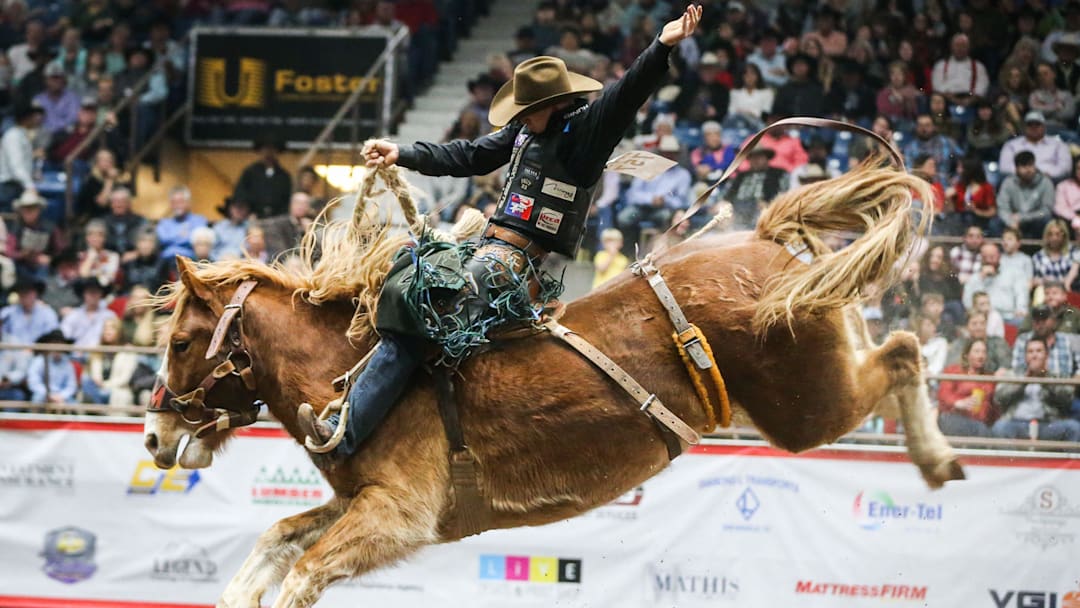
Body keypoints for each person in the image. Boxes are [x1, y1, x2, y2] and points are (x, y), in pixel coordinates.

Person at [298, 5, 705, 455]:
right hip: (489, 249)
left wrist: (661, 46)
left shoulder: (586, 132)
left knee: (419, 306)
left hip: (516, 264)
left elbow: (627, 92)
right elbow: (469, 155)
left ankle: (345, 432)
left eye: (529, 109)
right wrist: (404, 152)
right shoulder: (524, 132)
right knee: (398, 273)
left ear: (555, 105)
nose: (521, 117)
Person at [993, 337, 1080, 441]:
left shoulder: (1056, 376)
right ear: (1025, 356)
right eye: (1030, 352)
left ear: (1046, 355)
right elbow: (999, 399)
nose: (1034, 355)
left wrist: (1045, 380)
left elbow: (1068, 400)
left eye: (1039, 351)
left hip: (1048, 424)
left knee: (1073, 428)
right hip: (1016, 422)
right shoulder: (1013, 374)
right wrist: (1024, 381)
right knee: (999, 428)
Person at [618, 135, 691, 230]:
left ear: (677, 155)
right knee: (624, 218)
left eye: (672, 153)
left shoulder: (683, 174)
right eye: (666, 153)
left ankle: (664, 243)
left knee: (668, 217)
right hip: (641, 208)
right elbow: (632, 194)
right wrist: (651, 199)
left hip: (664, 209)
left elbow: (682, 201)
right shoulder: (646, 168)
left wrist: (665, 200)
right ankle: (629, 244)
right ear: (660, 153)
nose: (669, 156)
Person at [937, 338, 998, 437]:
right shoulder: (953, 371)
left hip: (979, 422)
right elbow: (943, 393)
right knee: (982, 431)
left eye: (984, 352)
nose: (981, 356)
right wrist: (958, 403)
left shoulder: (989, 378)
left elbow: (992, 407)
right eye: (977, 351)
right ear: (967, 355)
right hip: (953, 417)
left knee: (989, 431)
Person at [721, 147, 789, 230]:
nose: (755, 160)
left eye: (759, 157)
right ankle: (730, 236)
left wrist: (770, 204)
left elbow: (785, 195)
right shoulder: (740, 176)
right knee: (722, 209)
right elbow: (727, 196)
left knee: (764, 210)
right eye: (752, 157)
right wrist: (725, 206)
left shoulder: (779, 174)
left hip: (764, 208)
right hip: (739, 207)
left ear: (767, 158)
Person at [963, 241, 1029, 325]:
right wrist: (980, 278)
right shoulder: (975, 278)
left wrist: (1021, 309)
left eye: (992, 257)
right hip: (984, 319)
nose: (988, 260)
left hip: (1009, 316)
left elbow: (1021, 294)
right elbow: (967, 302)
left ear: (999, 256)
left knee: (1022, 321)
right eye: (985, 257)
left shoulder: (1013, 273)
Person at [6, 190, 66, 281]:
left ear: (38, 210)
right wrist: (22, 254)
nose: (28, 212)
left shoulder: (50, 228)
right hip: (20, 266)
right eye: (25, 209)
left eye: (31, 208)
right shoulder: (15, 228)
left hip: (44, 267)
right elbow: (9, 251)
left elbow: (60, 250)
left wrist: (50, 259)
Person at [80, 316, 137, 409]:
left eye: (112, 328)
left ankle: (98, 408)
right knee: (86, 380)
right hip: (98, 388)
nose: (108, 332)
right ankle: (97, 408)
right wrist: (99, 384)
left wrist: (105, 385)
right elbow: (95, 376)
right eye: (105, 328)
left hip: (116, 389)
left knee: (116, 395)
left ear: (119, 332)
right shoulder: (97, 350)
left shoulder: (128, 351)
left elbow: (124, 379)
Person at [997, 111, 1071, 180]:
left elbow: (1065, 168)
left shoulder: (1058, 144)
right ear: (1024, 127)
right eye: (1030, 124)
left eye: (1037, 124)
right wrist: (1025, 174)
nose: (1033, 127)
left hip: (1050, 180)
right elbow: (1004, 167)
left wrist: (1046, 174)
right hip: (1018, 181)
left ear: (1044, 127)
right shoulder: (1011, 145)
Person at [998, 150, 1055, 239]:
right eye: (1024, 166)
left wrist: (1022, 218)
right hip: (1014, 222)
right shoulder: (1008, 182)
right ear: (1016, 168)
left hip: (1036, 220)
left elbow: (1046, 211)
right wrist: (1010, 221)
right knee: (996, 223)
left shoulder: (1045, 182)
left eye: (1031, 165)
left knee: (1046, 220)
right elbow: (1002, 208)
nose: (1028, 169)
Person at [232, 136, 293, 219]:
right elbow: (240, 194)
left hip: (277, 219)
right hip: (252, 216)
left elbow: (287, 199)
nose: (269, 153)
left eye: (272, 149)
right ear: (260, 151)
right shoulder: (250, 172)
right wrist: (247, 211)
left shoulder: (284, 176)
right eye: (266, 149)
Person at [0, 101, 44, 209]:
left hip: (15, 185)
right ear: (27, 118)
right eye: (34, 115)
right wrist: (30, 185)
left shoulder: (21, 134)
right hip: (8, 187)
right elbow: (16, 166)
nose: (36, 119)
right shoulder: (13, 136)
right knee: (9, 221)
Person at [1011, 305, 1077, 377]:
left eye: (1044, 319)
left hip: (1062, 386)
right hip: (1028, 385)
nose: (1040, 323)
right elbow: (1016, 371)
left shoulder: (1067, 340)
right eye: (1037, 319)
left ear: (1053, 320)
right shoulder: (1022, 340)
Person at [903, 114, 963, 187]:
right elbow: (909, 172)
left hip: (946, 188)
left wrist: (955, 182)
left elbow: (962, 162)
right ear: (916, 127)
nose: (923, 129)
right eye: (920, 125)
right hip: (922, 189)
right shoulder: (910, 148)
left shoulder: (947, 143)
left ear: (934, 127)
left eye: (927, 125)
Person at [931, 33, 990, 107]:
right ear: (951, 47)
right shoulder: (940, 65)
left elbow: (982, 86)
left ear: (969, 48)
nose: (960, 49)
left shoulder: (978, 66)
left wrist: (971, 100)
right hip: (947, 102)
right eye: (957, 45)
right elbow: (937, 86)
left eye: (963, 46)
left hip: (971, 101)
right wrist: (953, 99)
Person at [947, 156, 1000, 236]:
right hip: (960, 226)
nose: (958, 170)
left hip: (981, 225)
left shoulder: (986, 188)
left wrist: (976, 211)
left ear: (970, 169)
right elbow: (951, 211)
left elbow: (992, 212)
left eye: (961, 167)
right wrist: (948, 198)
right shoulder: (959, 186)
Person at [155, 186, 208, 262]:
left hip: (190, 262)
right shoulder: (164, 223)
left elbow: (197, 241)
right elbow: (162, 239)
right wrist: (182, 237)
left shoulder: (199, 220)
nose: (177, 206)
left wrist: (171, 239)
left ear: (188, 203)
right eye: (174, 202)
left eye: (180, 202)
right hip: (166, 263)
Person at [60, 277, 117, 348]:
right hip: (76, 355)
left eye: (96, 292)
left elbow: (115, 338)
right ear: (83, 294)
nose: (93, 295)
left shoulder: (109, 316)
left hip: (100, 354)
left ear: (101, 294)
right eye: (90, 292)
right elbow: (63, 335)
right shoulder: (73, 315)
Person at [1, 276, 59, 344]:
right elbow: (3, 336)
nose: (24, 295)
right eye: (22, 292)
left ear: (36, 293)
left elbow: (52, 338)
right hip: (11, 351)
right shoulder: (7, 312)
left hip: (39, 352)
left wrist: (34, 350)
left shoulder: (48, 313)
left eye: (28, 292)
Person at [946, 311, 1011, 372]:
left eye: (982, 323)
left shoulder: (998, 342)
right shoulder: (959, 344)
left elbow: (1006, 363)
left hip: (993, 380)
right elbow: (951, 366)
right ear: (967, 326)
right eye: (974, 324)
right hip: (966, 380)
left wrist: (1003, 370)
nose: (979, 327)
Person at [26, 329, 77, 405]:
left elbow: (71, 386)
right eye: (54, 343)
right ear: (48, 344)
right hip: (42, 395)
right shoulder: (39, 361)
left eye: (60, 343)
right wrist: (48, 394)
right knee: (37, 400)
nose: (57, 347)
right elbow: (33, 382)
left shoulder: (67, 363)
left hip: (62, 397)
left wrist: (61, 396)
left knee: (74, 405)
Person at [261, 191, 312, 259]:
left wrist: (309, 233)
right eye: (298, 203)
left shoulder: (311, 224)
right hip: (282, 265)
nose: (301, 206)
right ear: (291, 204)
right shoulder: (277, 224)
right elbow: (279, 253)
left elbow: (316, 253)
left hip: (305, 265)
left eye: (305, 204)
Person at [1032, 218, 1077, 286]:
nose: (1054, 238)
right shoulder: (1038, 256)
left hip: (1068, 291)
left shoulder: (1074, 253)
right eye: (1050, 234)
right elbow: (1034, 280)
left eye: (1058, 234)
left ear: (1064, 236)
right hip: (1046, 292)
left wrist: (1054, 282)